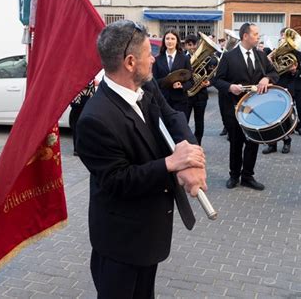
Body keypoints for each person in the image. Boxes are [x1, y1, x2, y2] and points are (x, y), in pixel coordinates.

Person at [76, 20, 207, 298]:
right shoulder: (94, 119)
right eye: (149, 53)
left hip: (149, 234)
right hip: (121, 242)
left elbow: (172, 116)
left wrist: (193, 159)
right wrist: (172, 164)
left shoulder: (146, 87)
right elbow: (117, 180)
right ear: (131, 62)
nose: (153, 59)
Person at [213, 22, 279, 191]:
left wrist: (267, 79)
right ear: (245, 36)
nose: (259, 37)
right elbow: (217, 80)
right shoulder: (228, 57)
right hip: (234, 107)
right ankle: (234, 175)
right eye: (256, 34)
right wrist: (230, 87)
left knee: (253, 142)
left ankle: (247, 176)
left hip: (256, 108)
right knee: (236, 142)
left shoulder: (261, 55)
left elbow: (274, 73)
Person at [152, 30, 193, 119]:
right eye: (167, 38)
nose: (170, 41)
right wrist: (168, 79)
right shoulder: (157, 59)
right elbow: (154, 81)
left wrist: (182, 85)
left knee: (180, 128)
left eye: (172, 38)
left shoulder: (184, 59)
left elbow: (191, 81)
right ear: (164, 41)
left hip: (180, 101)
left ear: (177, 41)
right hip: (163, 100)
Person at [184, 34, 211, 145]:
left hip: (201, 95)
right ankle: (185, 143)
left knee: (199, 122)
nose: (192, 47)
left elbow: (211, 74)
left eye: (194, 44)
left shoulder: (205, 58)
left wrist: (209, 82)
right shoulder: (182, 58)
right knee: (184, 121)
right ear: (185, 46)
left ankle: (197, 143)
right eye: (189, 45)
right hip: (186, 95)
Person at [69, 80, 96, 156]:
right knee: (77, 126)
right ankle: (78, 149)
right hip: (80, 101)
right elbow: (86, 84)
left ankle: (80, 148)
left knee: (82, 126)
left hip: (82, 101)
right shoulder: (81, 73)